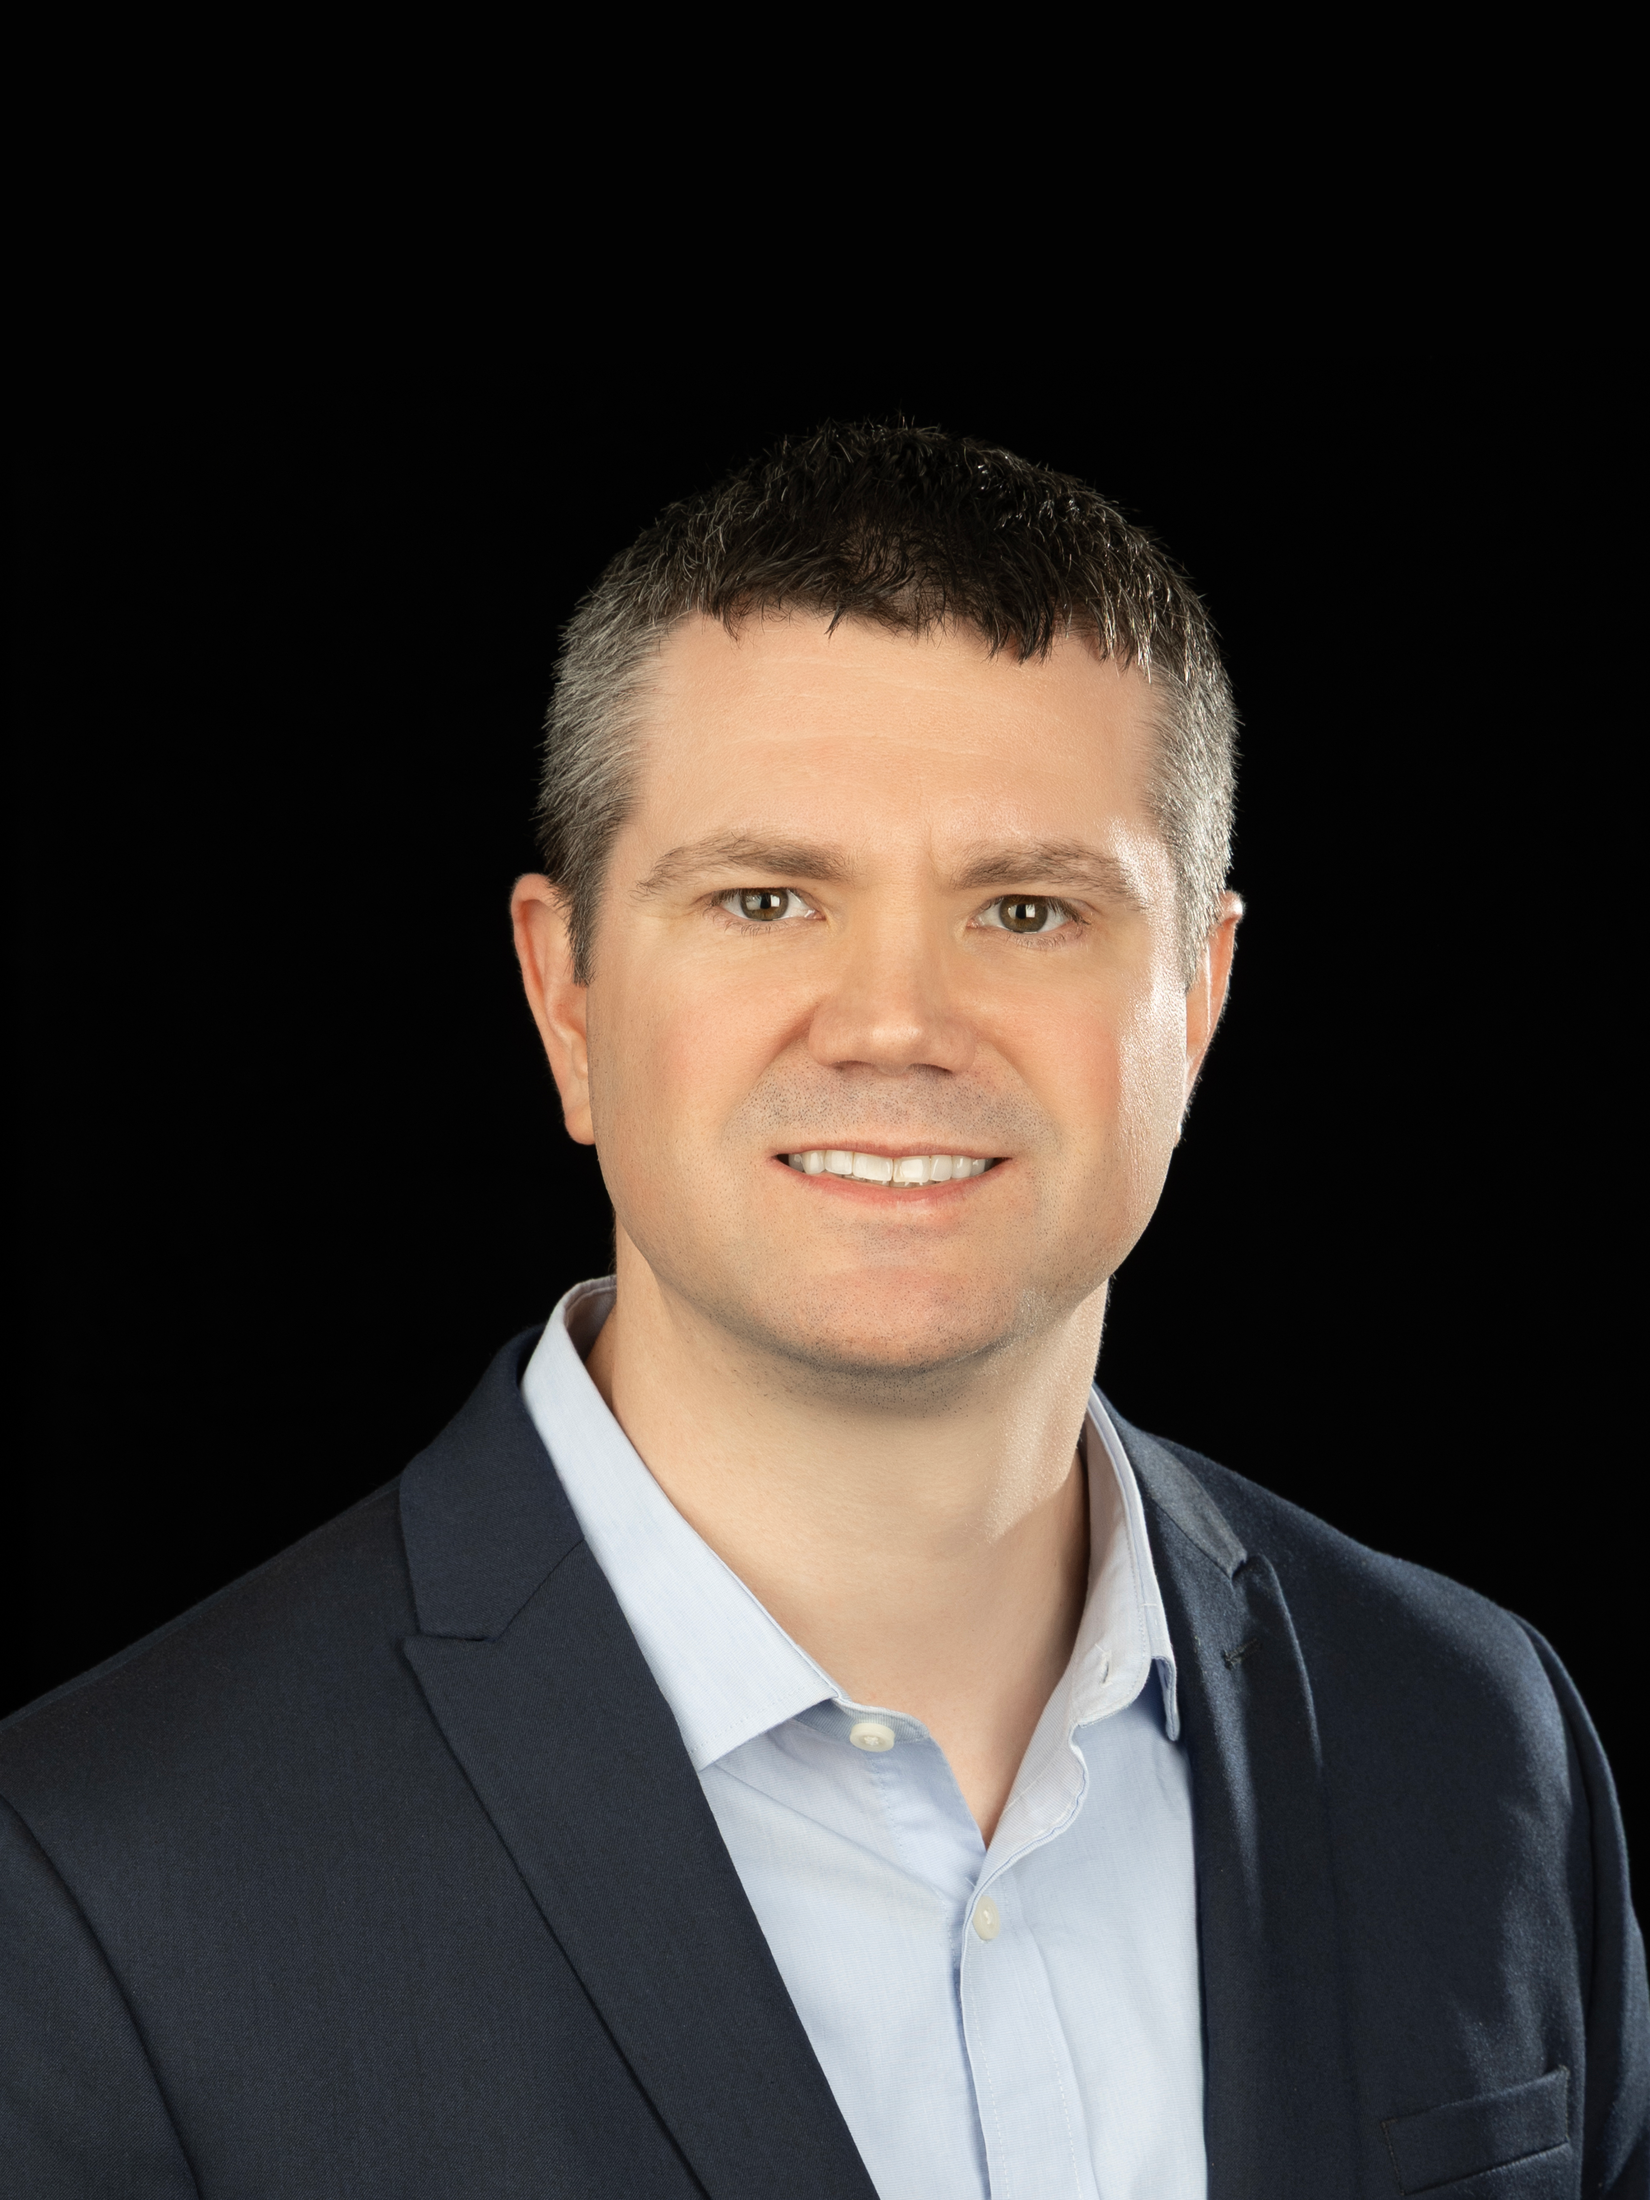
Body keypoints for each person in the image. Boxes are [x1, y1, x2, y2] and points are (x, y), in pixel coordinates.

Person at [3, 423, 1643, 2200]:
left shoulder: (1476, 1739)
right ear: (566, 996)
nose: (892, 1023)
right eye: (766, 898)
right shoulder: (97, 1880)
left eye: (1026, 908)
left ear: (1199, 997)